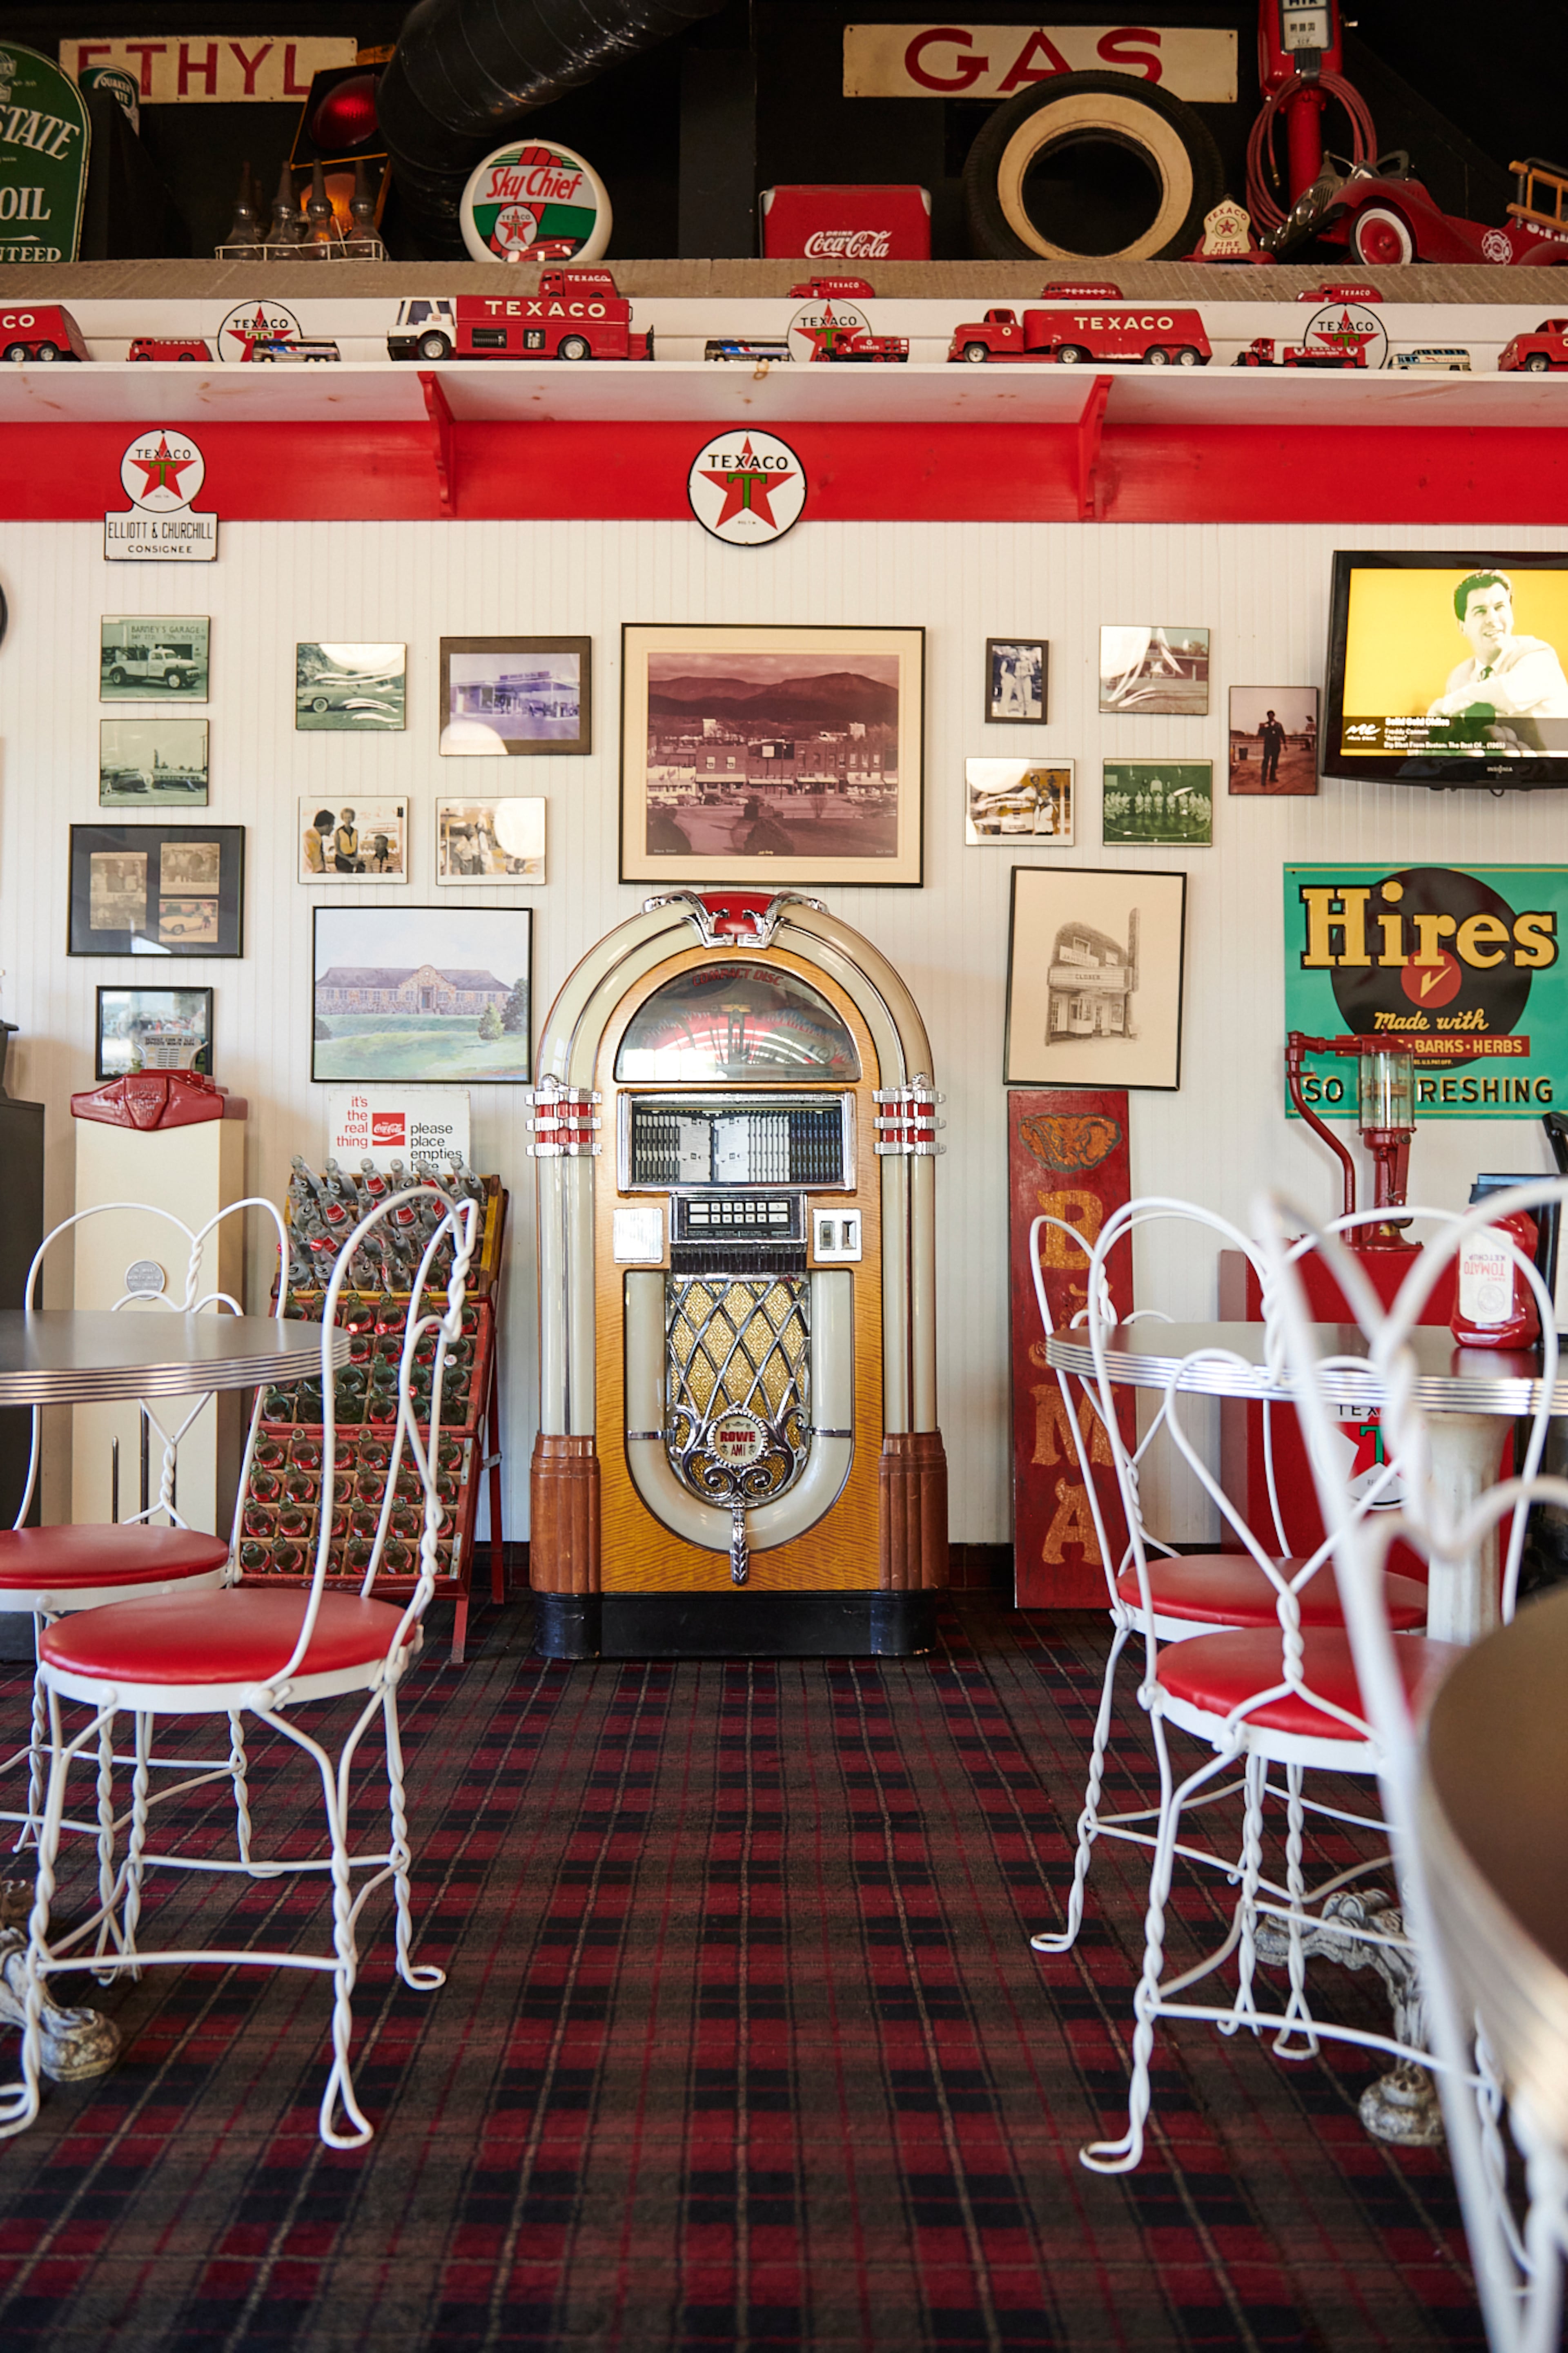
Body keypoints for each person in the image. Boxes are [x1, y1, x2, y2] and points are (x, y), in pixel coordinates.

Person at [1425, 570, 1568, 747]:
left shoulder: (1539, 657)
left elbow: (1508, 693)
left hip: (1553, 772)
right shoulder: (1459, 676)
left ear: (1512, 615)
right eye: (1480, 611)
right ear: (1462, 627)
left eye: (1500, 607)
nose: (1493, 619)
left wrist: (1445, 706)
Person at [1257, 708, 1286, 785]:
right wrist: (1261, 728)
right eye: (1269, 715)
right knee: (1266, 761)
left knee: (1274, 762)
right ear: (1267, 717)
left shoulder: (1279, 725)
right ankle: (1263, 780)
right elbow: (1260, 735)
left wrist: (1285, 744)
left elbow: (1282, 735)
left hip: (1276, 746)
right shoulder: (1265, 725)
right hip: (1268, 746)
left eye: (1271, 715)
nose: (1270, 717)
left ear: (1274, 716)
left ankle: (1272, 777)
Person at [332, 808, 363, 872]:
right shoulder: (339, 832)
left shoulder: (355, 832)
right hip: (342, 859)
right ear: (343, 818)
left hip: (352, 858)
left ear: (353, 818)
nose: (348, 820)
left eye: (349, 818)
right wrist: (349, 859)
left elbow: (356, 848)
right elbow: (338, 850)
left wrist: (355, 858)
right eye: (346, 818)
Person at [303, 809, 333, 874]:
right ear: (326, 826)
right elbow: (315, 869)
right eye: (332, 825)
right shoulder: (310, 838)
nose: (333, 828)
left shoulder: (315, 836)